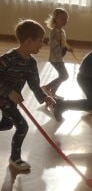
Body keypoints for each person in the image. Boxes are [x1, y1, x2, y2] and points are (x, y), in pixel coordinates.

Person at [0, 19, 55, 171]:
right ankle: (15, 158)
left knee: (6, 124)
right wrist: (9, 91)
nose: (42, 44)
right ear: (29, 41)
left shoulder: (31, 63)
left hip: (11, 100)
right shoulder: (7, 59)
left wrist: (44, 97)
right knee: (22, 126)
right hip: (3, 98)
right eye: (40, 41)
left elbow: (34, 85)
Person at [41, 8, 72, 99]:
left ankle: (53, 93)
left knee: (62, 76)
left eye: (66, 19)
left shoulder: (62, 31)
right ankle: (47, 87)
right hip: (55, 59)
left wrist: (67, 48)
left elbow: (63, 43)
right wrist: (57, 39)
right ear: (56, 19)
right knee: (64, 76)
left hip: (59, 57)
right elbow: (51, 44)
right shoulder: (54, 32)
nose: (65, 21)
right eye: (63, 19)